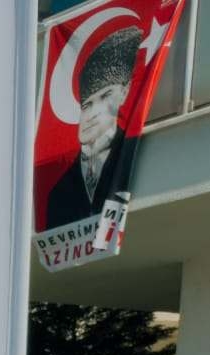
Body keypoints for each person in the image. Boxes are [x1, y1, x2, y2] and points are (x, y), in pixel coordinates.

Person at [45, 25, 143, 230]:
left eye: (105, 95)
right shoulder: (57, 192)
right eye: (86, 105)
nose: (93, 114)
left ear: (125, 92)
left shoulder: (134, 155)